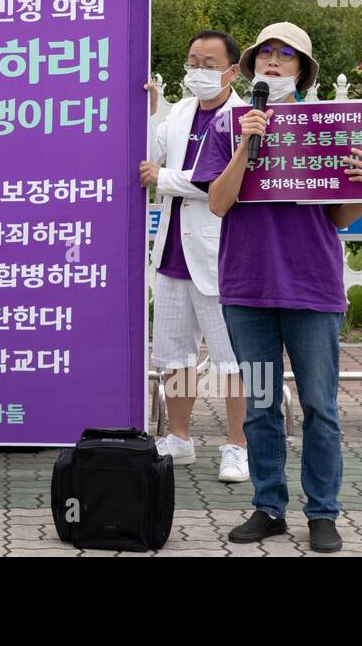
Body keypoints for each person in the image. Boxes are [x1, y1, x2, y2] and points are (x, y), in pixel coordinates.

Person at [192, 22, 362, 553]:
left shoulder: (331, 125)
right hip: (247, 288)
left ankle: (323, 512)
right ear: (252, 65)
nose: (273, 63)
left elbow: (342, 217)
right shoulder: (230, 123)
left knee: (321, 406)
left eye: (286, 56)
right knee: (259, 404)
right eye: (265, 55)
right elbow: (218, 201)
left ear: (302, 68)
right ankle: (268, 506)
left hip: (312, 287)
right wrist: (246, 144)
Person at [138, 30, 248, 482]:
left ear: (232, 70)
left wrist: (165, 179)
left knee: (231, 358)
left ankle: (239, 445)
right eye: (193, 61)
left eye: (209, 63)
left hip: (222, 255)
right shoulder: (181, 112)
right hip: (173, 253)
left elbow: (218, 183)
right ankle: (179, 438)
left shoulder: (244, 117)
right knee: (175, 354)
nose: (199, 71)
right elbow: (146, 161)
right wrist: (147, 113)